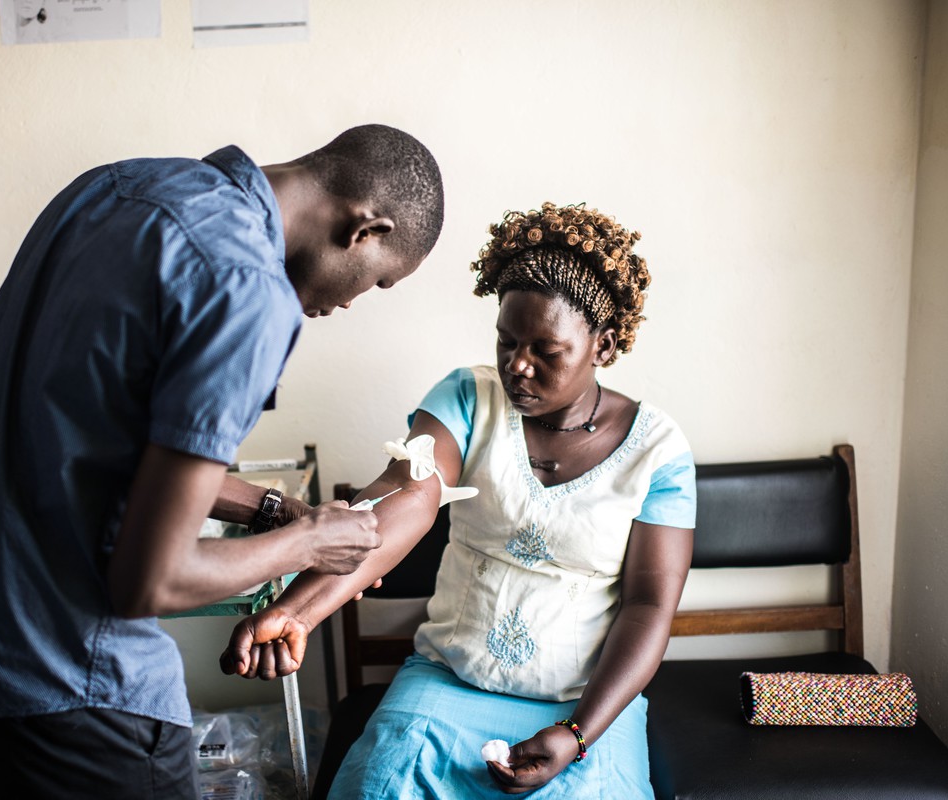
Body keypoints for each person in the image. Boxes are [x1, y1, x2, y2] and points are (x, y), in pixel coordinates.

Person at [0, 124, 445, 800]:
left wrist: (270, 510)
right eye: (376, 282)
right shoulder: (247, 293)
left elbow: (87, 440)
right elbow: (150, 582)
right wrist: (308, 542)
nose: (349, 302)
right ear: (366, 229)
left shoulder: (120, 186)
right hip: (59, 675)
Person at [221, 202, 696, 798]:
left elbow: (649, 606)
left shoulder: (659, 451)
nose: (518, 366)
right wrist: (297, 612)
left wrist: (576, 734)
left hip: (584, 702)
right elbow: (406, 503)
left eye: (546, 352)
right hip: (449, 680)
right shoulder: (467, 398)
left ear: (602, 346)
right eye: (507, 342)